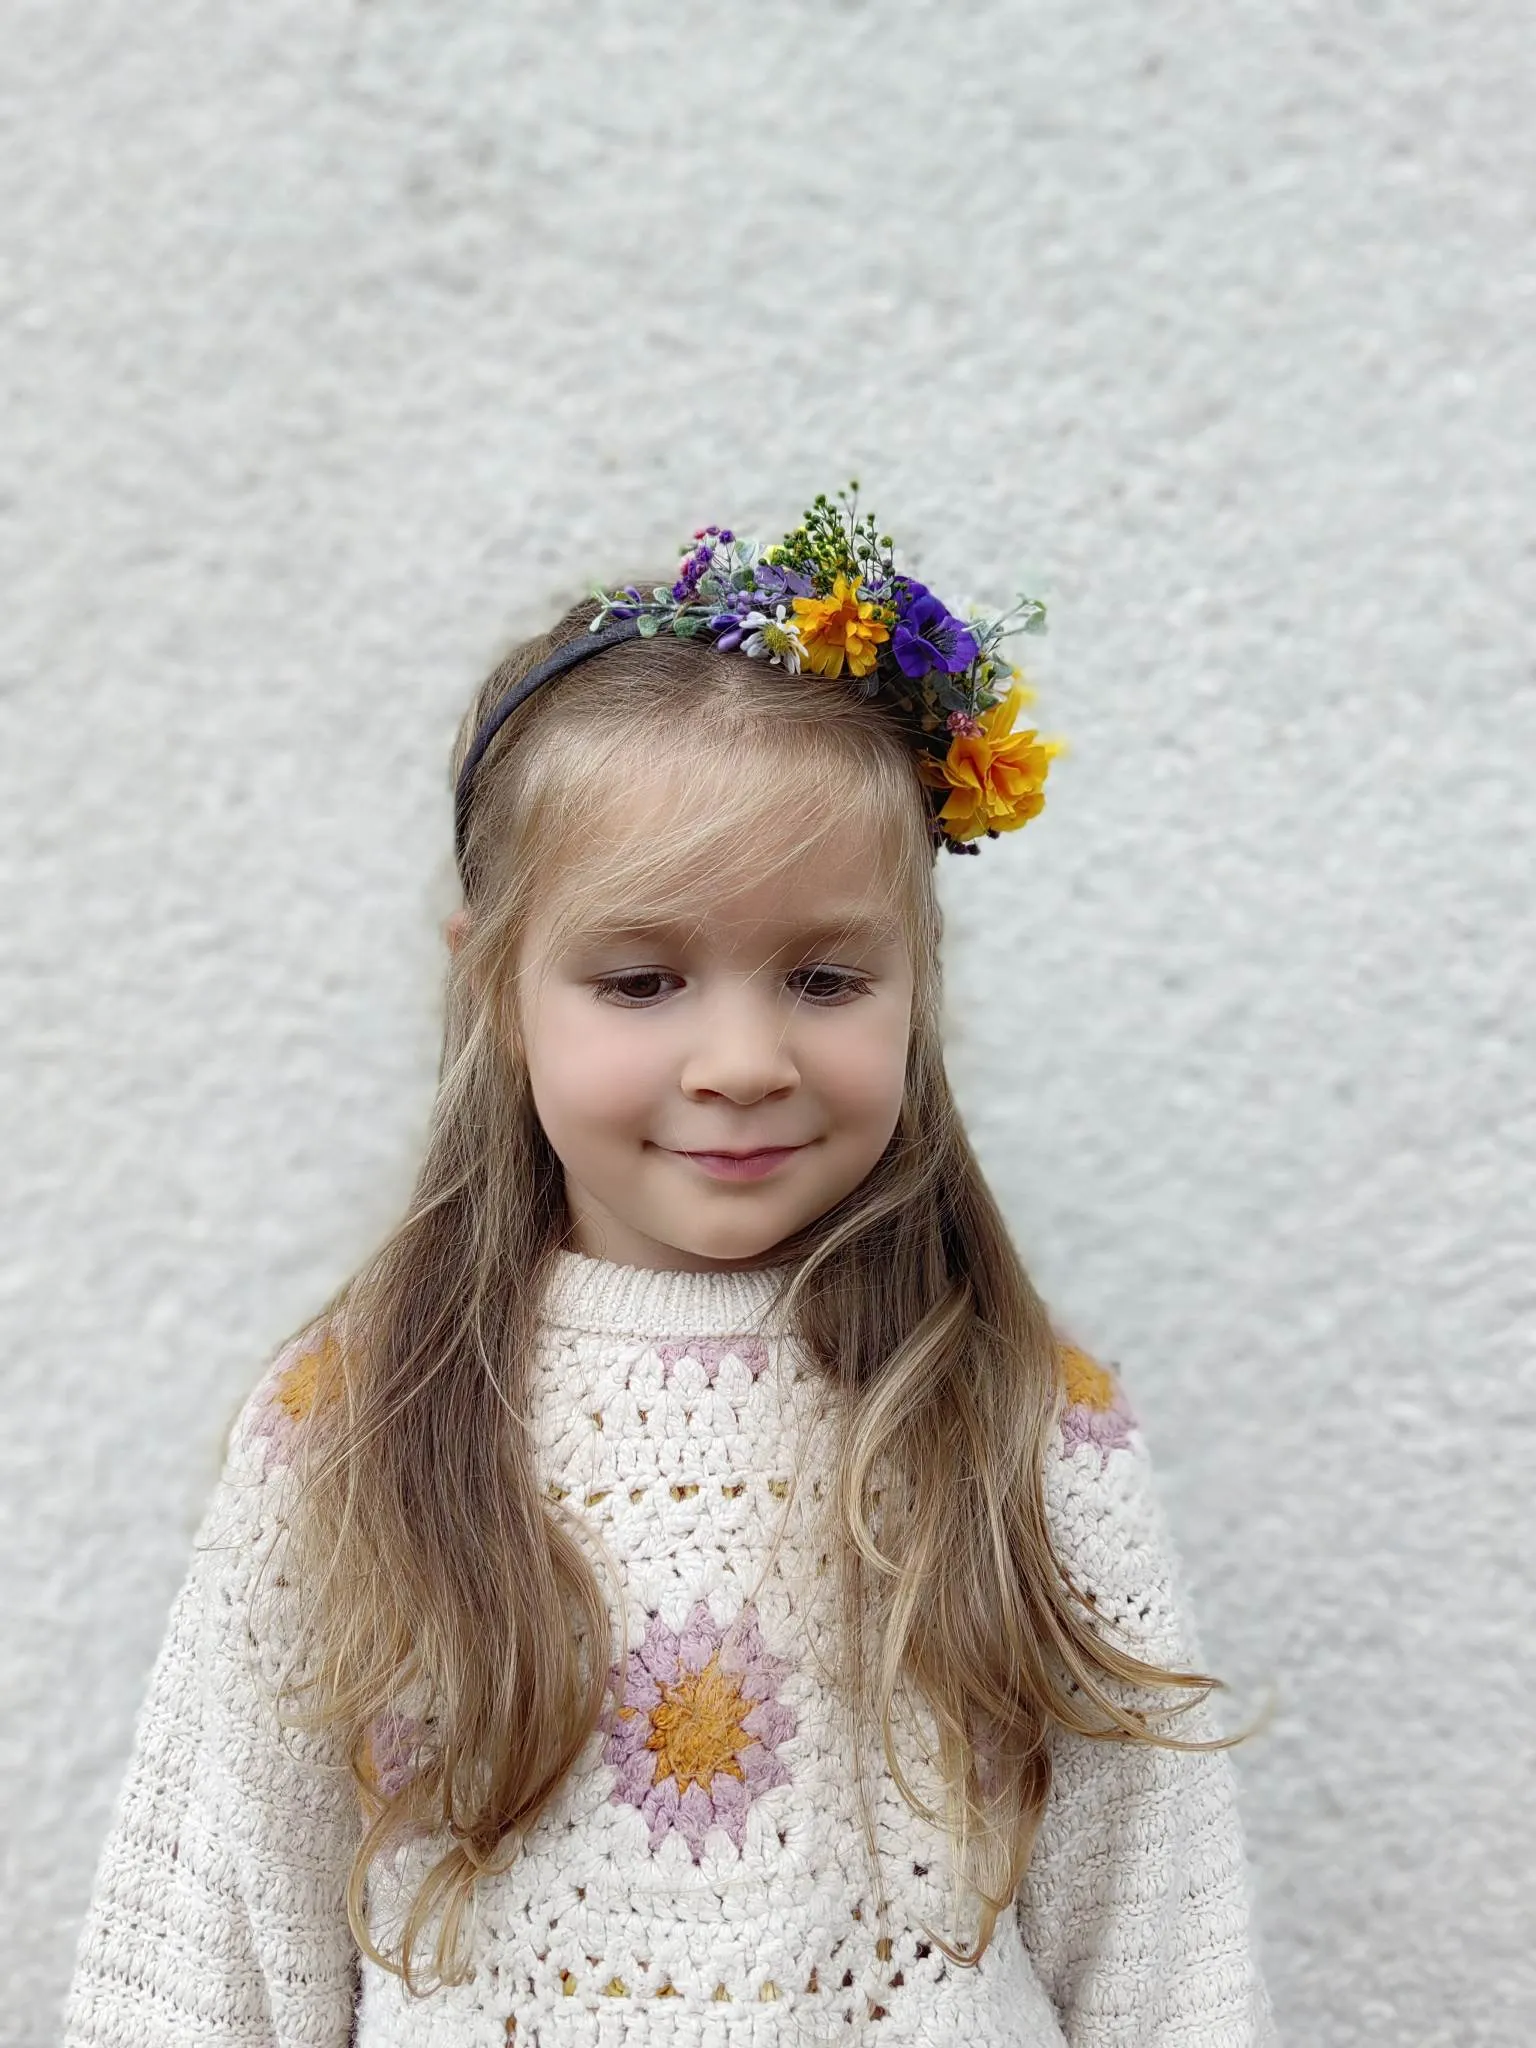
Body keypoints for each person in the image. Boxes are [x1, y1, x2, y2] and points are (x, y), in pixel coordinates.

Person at [63, 489, 1273, 2046]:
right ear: (497, 992)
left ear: (919, 980)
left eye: (825, 977)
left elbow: (1168, 1959)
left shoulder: (1026, 1423)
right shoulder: (351, 1429)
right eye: (641, 980)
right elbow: (205, 1946)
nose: (743, 1059)